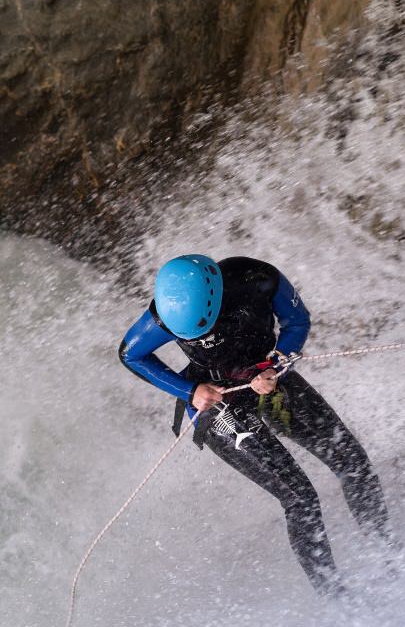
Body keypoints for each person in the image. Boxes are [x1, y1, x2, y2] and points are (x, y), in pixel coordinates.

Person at [118, 254, 391, 595]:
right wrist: (189, 390)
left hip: (267, 380)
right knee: (301, 498)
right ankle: (338, 599)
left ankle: (388, 554)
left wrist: (277, 367)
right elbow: (131, 354)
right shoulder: (163, 314)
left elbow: (297, 322)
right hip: (218, 403)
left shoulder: (258, 279)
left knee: (352, 462)